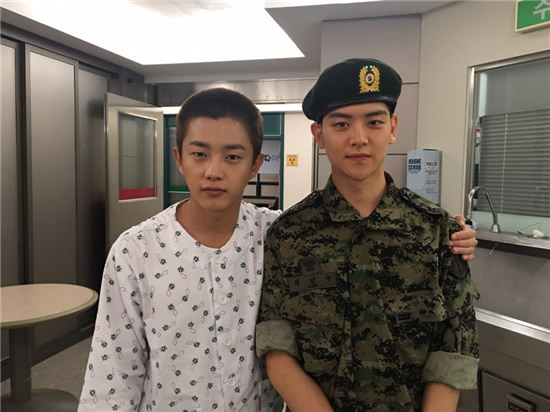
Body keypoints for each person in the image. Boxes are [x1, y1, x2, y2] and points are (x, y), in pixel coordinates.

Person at [78, 86, 476, 411]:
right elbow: (112, 376)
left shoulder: (273, 233)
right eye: (199, 154)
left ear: (255, 164)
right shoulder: (136, 252)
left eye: (232, 156)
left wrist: (457, 235)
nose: (214, 171)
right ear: (179, 159)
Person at [256, 58, 479, 412]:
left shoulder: (438, 232)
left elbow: (454, 351)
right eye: (341, 124)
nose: (359, 138)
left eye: (374, 122)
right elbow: (277, 347)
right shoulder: (288, 235)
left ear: (393, 128)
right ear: (319, 135)